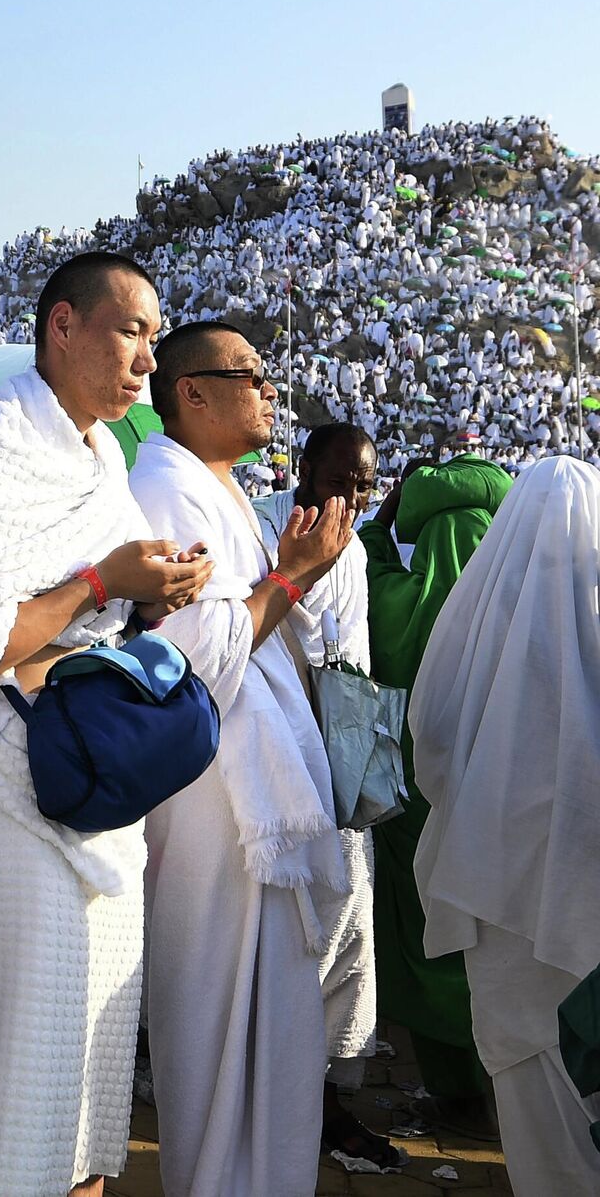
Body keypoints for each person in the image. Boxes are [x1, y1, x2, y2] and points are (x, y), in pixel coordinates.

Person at [0, 252, 213, 1197]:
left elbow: (93, 613)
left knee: (92, 1081)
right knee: (22, 1082)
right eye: (130, 332)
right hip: (11, 788)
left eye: (154, 339)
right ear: (63, 327)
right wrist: (104, 582)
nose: (146, 361)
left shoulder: (104, 455)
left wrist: (149, 596)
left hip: (97, 795)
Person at [129, 321, 354, 1196]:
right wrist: (291, 577)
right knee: (214, 1024)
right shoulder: (163, 487)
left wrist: (304, 571)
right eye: (249, 374)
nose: (268, 388)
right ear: (191, 391)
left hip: (259, 798)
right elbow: (199, 649)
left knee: (275, 1029)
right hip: (212, 804)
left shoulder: (219, 489)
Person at [410, 457, 600, 1194]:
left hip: (493, 886)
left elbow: (430, 738)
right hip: (587, 886)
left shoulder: (473, 622)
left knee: (530, 1083)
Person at [253, 423, 400, 1169]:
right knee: (281, 933)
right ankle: (277, 1091)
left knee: (350, 932)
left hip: (338, 763)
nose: (353, 495)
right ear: (304, 468)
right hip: (275, 758)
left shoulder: (362, 552)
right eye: (341, 479)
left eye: (365, 484)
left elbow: (356, 655)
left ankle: (331, 1097)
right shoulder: (263, 524)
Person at [362, 452, 511, 1137]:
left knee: (432, 938)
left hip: (418, 811)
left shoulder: (396, 600)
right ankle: (512, 1086)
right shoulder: (526, 604)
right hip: (501, 815)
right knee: (498, 942)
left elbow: (364, 561)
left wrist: (387, 514)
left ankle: (451, 1092)